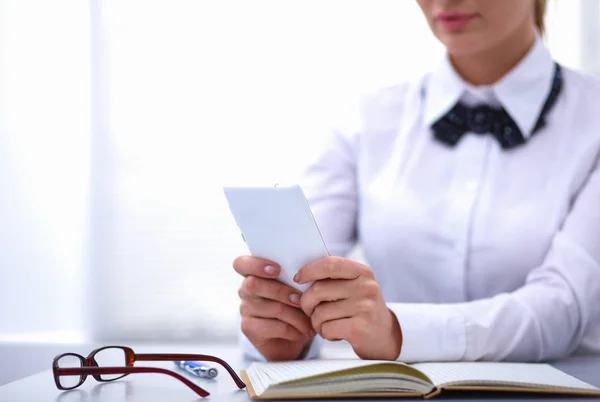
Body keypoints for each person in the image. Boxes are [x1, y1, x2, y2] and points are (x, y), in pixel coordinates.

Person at [233, 0, 600, 363]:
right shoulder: (365, 119)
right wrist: (282, 332)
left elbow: (563, 304)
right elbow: (299, 272)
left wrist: (396, 331)